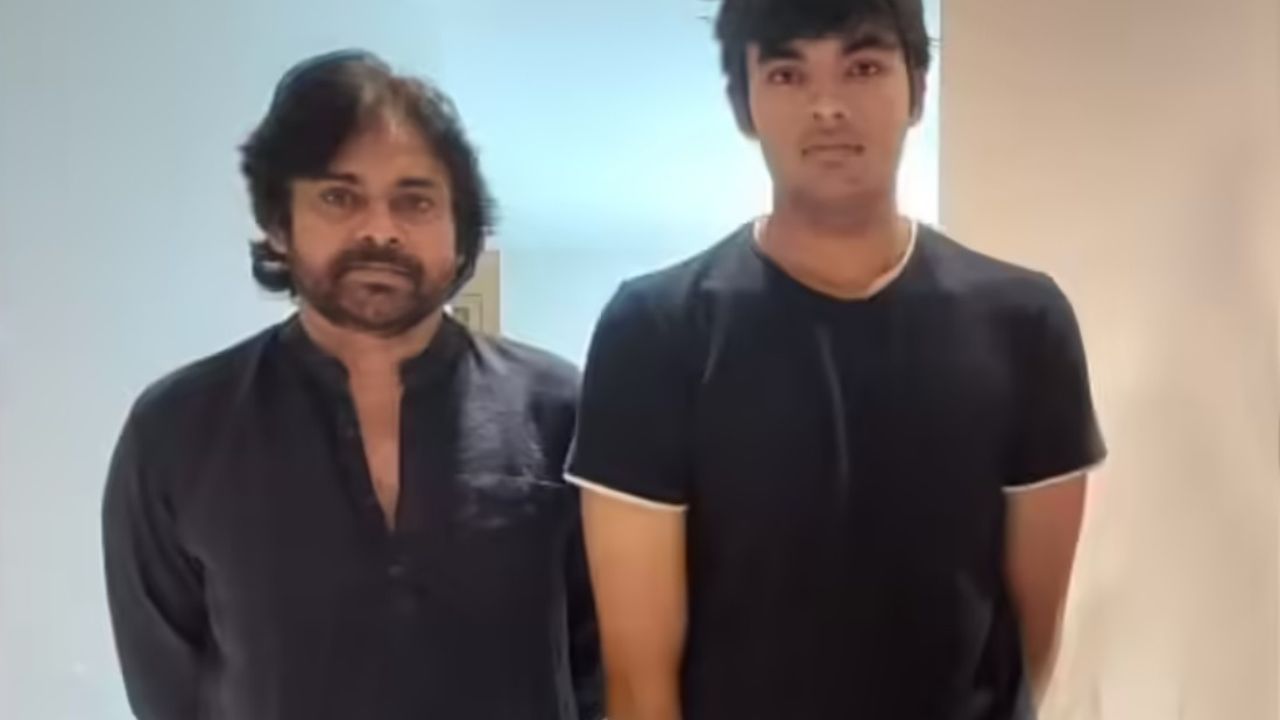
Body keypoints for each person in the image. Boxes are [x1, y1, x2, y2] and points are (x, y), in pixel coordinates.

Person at [567, 1, 1105, 718]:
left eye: (863, 67)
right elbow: (639, 683)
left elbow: (1029, 642)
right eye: (787, 74)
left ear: (917, 89)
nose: (827, 106)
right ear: (744, 104)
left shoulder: (1025, 324)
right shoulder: (654, 329)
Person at [102, 50, 601, 720]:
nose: (379, 230)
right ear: (279, 224)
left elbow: (607, 665)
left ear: (460, 236)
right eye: (339, 197)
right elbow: (169, 693)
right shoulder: (177, 429)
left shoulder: (561, 411)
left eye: (415, 201)